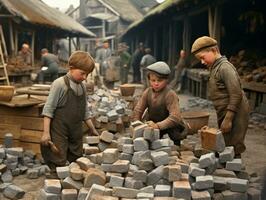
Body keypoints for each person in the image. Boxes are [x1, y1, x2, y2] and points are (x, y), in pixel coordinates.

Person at [41, 51, 99, 175]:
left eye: (87, 74)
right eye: (82, 73)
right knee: (58, 158)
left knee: (77, 157)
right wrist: (46, 133)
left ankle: (73, 182)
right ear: (71, 68)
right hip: (59, 129)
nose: (85, 77)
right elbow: (48, 109)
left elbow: (85, 111)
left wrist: (92, 128)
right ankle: (55, 181)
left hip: (75, 129)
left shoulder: (82, 87)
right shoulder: (60, 84)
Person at [191, 36, 250, 156]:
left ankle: (234, 171)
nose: (202, 62)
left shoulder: (225, 67)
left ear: (214, 50)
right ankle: (229, 167)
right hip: (226, 111)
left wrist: (228, 118)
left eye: (202, 57)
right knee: (226, 142)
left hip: (236, 112)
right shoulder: (215, 67)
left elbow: (236, 94)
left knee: (233, 145)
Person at [133, 61, 187, 145]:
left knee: (176, 135)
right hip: (153, 121)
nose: (156, 83)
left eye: (160, 80)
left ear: (166, 80)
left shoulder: (170, 94)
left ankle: (177, 146)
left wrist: (158, 126)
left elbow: (175, 117)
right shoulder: (147, 92)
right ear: (149, 80)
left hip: (170, 124)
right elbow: (138, 110)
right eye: (153, 80)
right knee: (150, 141)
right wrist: (136, 124)